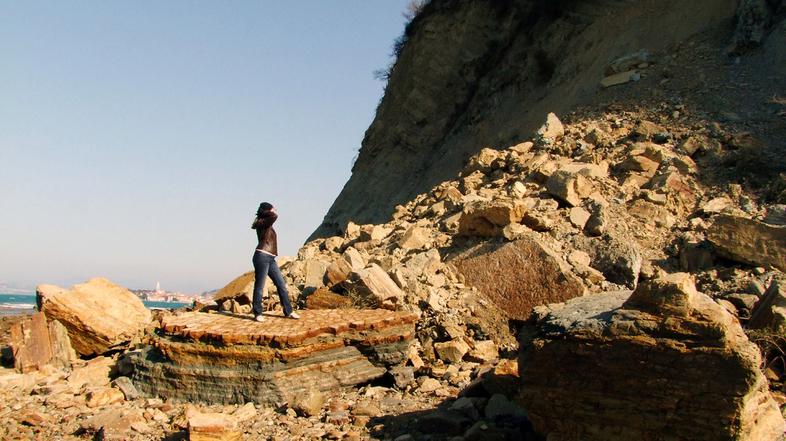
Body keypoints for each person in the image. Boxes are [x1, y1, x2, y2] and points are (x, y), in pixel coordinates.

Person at [251, 202, 299, 322]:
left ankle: (289, 311)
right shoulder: (262, 222)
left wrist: (269, 210)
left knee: (281, 285)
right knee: (260, 287)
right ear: (266, 211)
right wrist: (271, 210)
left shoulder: (265, 223)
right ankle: (257, 313)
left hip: (270, 258)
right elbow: (274, 216)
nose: (275, 211)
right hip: (262, 256)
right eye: (272, 209)